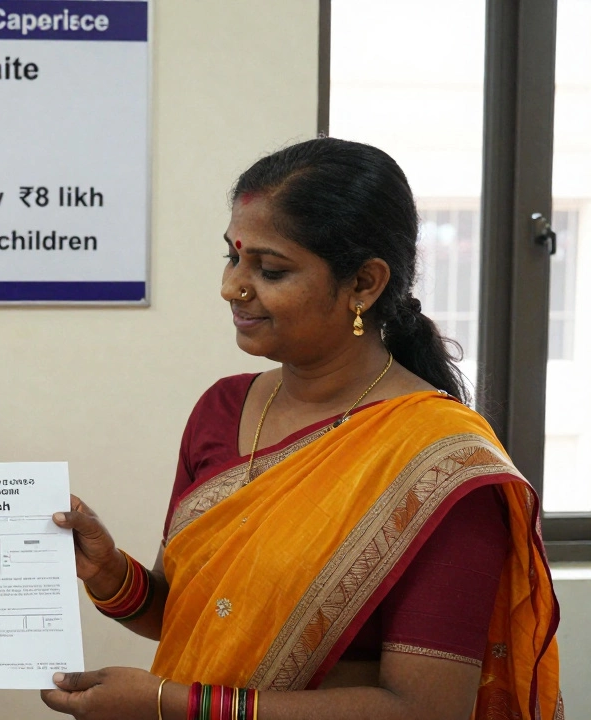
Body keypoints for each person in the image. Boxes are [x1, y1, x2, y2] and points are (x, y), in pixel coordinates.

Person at [40, 138, 562, 720]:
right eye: (232, 258)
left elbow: (426, 708)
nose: (232, 287)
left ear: (364, 283)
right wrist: (109, 572)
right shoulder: (222, 409)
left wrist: (172, 705)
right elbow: (188, 615)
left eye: (270, 270)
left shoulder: (441, 465)